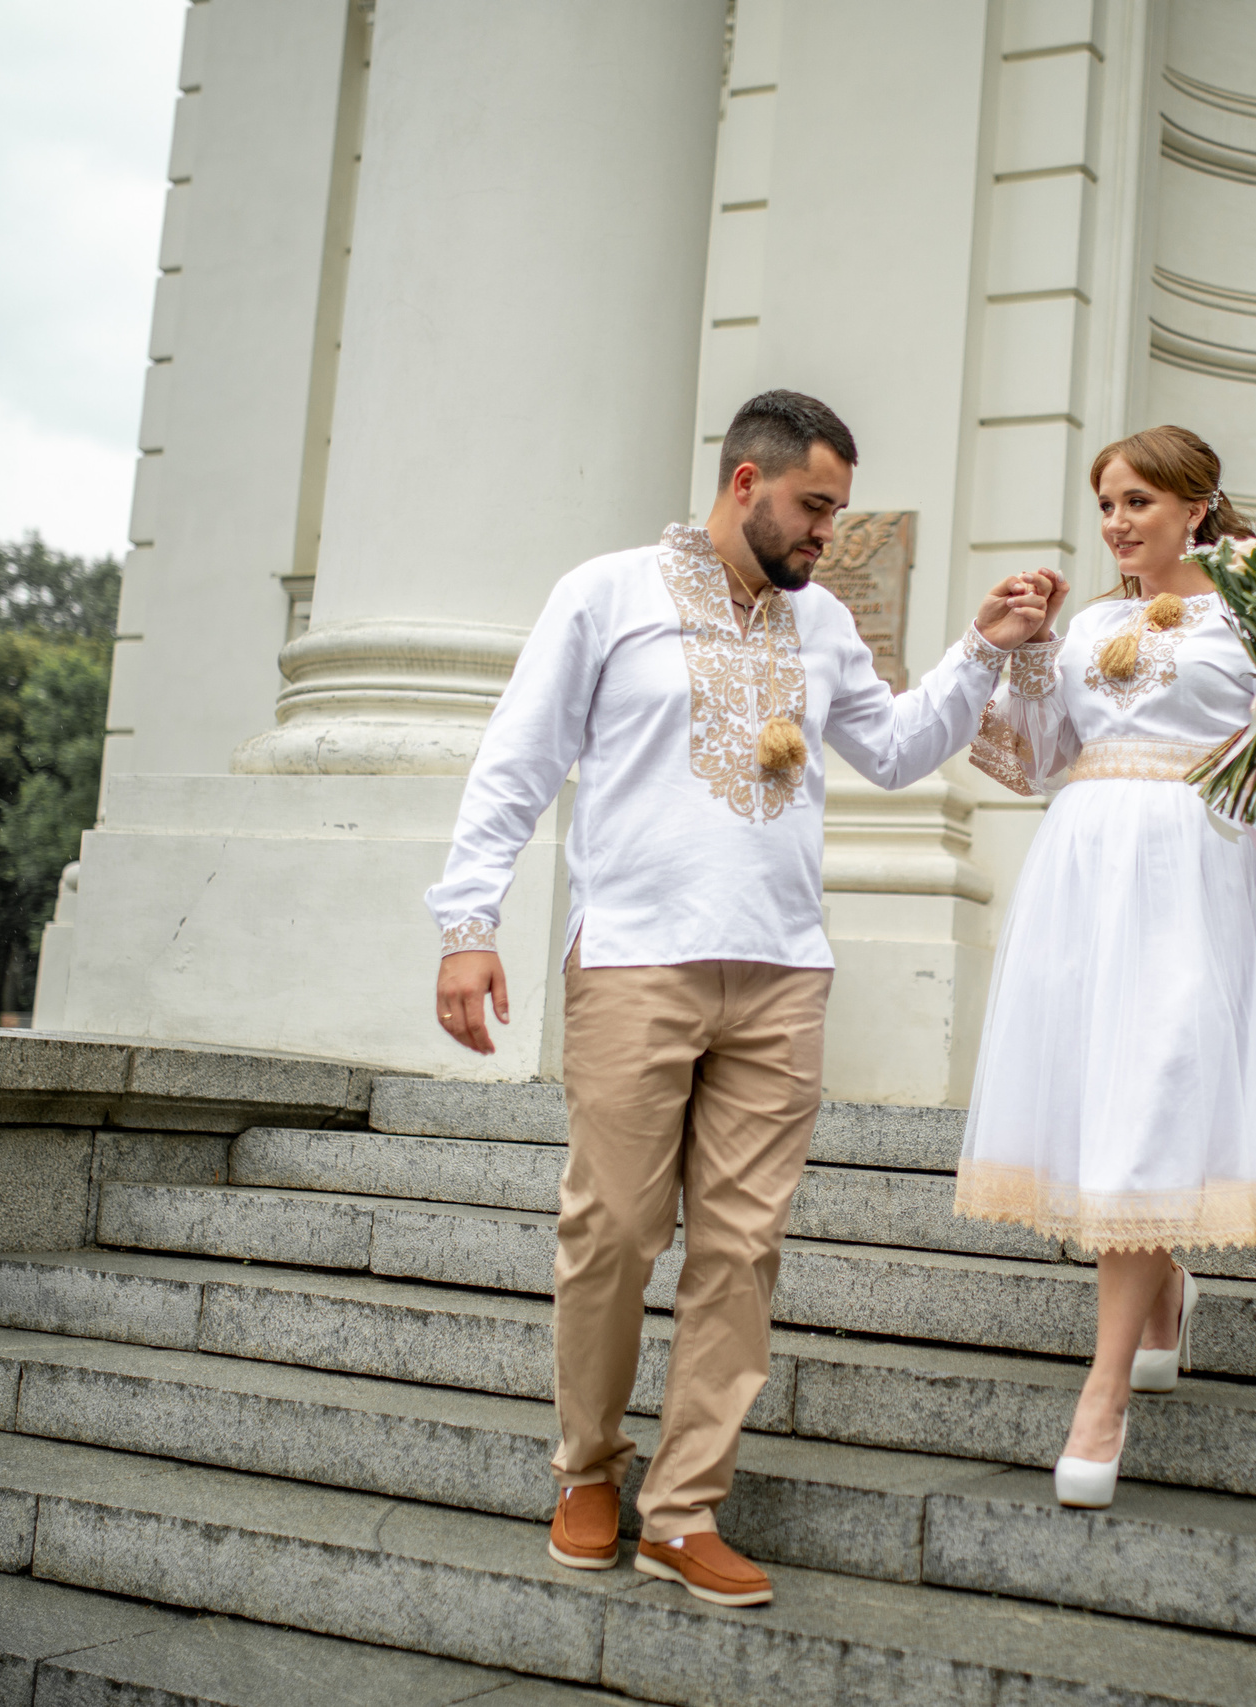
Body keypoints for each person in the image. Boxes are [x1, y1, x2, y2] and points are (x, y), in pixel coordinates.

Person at [426, 390, 1051, 1605]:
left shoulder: (819, 628)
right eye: (815, 506)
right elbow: (519, 756)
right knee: (610, 1229)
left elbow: (896, 748)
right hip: (637, 962)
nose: (827, 532)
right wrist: (467, 925)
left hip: (782, 974)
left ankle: (683, 1507)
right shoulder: (606, 593)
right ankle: (587, 1468)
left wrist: (979, 648)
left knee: (741, 1248)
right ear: (744, 483)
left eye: (839, 511)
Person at [954, 424, 1256, 1508]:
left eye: (1136, 502)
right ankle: (1162, 1286)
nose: (1117, 524)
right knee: (1104, 1095)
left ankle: (1101, 1392)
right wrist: (1030, 654)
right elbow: (1038, 762)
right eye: (1106, 506)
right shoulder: (1088, 622)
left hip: (1197, 875)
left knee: (1154, 1091)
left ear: (1195, 507)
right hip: (1085, 873)